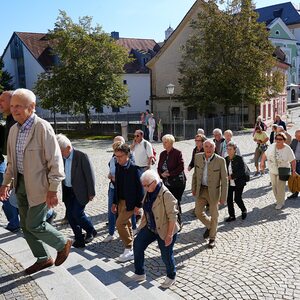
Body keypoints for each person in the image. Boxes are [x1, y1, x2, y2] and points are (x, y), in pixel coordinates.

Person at [0, 88, 72, 275]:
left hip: (40, 186)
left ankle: (62, 243)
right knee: (25, 226)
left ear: (31, 107)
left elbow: (55, 161)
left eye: (19, 106)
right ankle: (43, 258)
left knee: (34, 224)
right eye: (13, 106)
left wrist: (53, 189)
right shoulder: (14, 129)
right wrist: (6, 183)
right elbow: (11, 161)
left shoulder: (42, 127)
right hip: (20, 183)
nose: (14, 110)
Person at [131, 170, 179, 288]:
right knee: (137, 244)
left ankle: (171, 276)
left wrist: (169, 235)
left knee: (166, 254)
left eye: (147, 185)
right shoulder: (149, 192)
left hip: (165, 229)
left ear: (155, 182)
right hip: (151, 227)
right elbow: (147, 209)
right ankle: (139, 273)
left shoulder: (166, 194)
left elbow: (173, 217)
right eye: (144, 186)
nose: (146, 188)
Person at [56, 134, 97, 248]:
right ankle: (79, 238)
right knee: (70, 215)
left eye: (61, 151)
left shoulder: (81, 156)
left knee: (77, 214)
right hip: (68, 190)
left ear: (68, 148)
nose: (59, 154)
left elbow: (89, 175)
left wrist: (91, 192)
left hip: (80, 191)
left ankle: (91, 230)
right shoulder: (61, 158)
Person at [192, 139, 228, 248]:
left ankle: (212, 238)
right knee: (198, 212)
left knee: (214, 215)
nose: (208, 149)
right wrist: (193, 188)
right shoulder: (197, 157)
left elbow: (225, 180)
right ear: (203, 147)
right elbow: (195, 174)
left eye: (210, 147)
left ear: (214, 148)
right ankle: (210, 226)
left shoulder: (220, 160)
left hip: (214, 191)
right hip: (201, 189)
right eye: (206, 146)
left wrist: (223, 197)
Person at [112, 143, 143, 262]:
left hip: (130, 203)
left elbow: (141, 189)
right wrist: (115, 202)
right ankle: (131, 248)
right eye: (116, 156)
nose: (118, 159)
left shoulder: (135, 169)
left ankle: (128, 248)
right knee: (127, 224)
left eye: (120, 156)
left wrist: (138, 206)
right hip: (120, 201)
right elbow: (117, 187)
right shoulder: (118, 166)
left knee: (119, 223)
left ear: (127, 155)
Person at [104, 136, 137, 242]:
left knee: (127, 215)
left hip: (126, 191)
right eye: (115, 144)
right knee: (112, 211)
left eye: (119, 143)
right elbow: (111, 169)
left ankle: (133, 232)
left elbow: (133, 178)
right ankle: (111, 233)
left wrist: (138, 205)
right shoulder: (114, 158)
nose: (116, 146)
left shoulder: (129, 158)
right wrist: (111, 176)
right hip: (114, 188)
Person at [0, 91, 20, 232]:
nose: (0, 103)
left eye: (2, 100)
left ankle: (14, 223)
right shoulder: (8, 120)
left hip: (16, 166)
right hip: (9, 163)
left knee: (6, 194)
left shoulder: (17, 121)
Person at [260, 132, 296, 210]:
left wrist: (293, 171)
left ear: (284, 140)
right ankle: (278, 199)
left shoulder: (287, 149)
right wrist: (262, 163)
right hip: (272, 169)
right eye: (276, 139)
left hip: (283, 170)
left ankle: (280, 202)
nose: (278, 140)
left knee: (280, 187)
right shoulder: (272, 146)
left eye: (280, 139)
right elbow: (265, 155)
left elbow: (293, 161)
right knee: (274, 186)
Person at [157, 134, 186, 223]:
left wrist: (169, 174)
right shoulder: (162, 154)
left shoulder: (177, 153)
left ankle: (178, 221)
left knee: (175, 202)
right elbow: (159, 167)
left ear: (171, 143)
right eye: (163, 142)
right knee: (167, 202)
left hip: (177, 182)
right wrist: (162, 174)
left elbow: (181, 167)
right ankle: (169, 221)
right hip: (166, 182)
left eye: (165, 142)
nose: (164, 144)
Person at [225, 141, 247, 222]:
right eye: (227, 149)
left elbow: (242, 171)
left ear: (235, 150)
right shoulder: (225, 159)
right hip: (229, 183)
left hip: (239, 182)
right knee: (229, 200)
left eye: (230, 149)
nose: (228, 151)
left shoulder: (239, 158)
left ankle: (244, 210)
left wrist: (232, 176)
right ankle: (232, 216)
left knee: (237, 198)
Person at [287, 130, 300, 199]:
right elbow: (290, 149)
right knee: (295, 178)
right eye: (296, 136)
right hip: (294, 162)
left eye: (298, 136)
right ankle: (295, 193)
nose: (296, 137)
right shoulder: (294, 141)